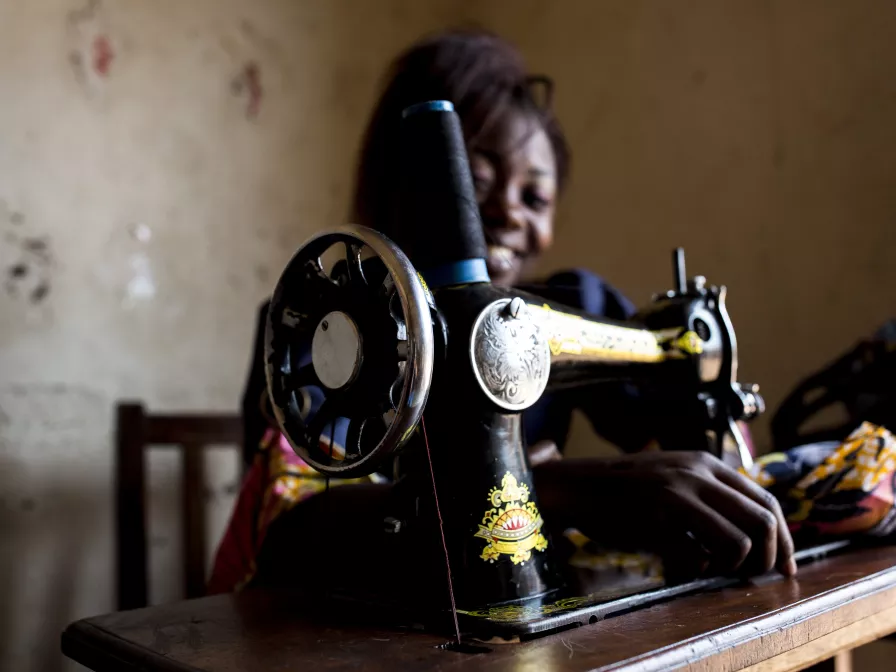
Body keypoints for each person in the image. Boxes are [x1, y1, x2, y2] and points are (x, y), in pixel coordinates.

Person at [208, 28, 795, 596]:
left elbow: (684, 435)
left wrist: (699, 466)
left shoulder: (570, 311)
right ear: (399, 186)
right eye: (477, 182)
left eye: (535, 197)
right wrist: (552, 489)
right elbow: (290, 530)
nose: (511, 213)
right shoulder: (316, 324)